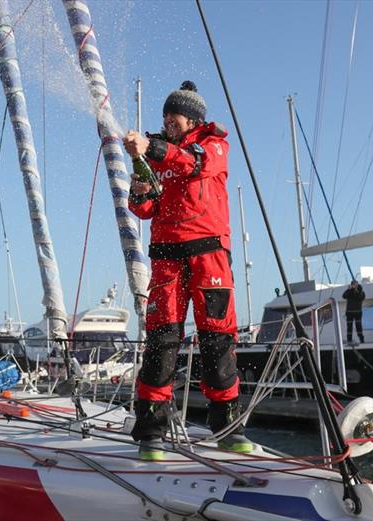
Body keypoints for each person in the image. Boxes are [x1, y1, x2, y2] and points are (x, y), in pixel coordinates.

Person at [123, 81, 252, 460]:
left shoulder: (213, 145)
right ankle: (151, 432)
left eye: (173, 115)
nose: (167, 120)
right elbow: (144, 210)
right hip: (166, 256)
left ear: (193, 118)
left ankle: (228, 428)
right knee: (161, 340)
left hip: (208, 253)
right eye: (164, 116)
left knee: (216, 339)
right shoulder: (156, 157)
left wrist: (152, 150)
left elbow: (195, 164)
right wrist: (140, 185)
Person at [342, 280, 366, 344]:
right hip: (349, 312)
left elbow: (361, 297)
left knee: (358, 326)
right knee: (349, 326)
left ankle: (361, 339)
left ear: (357, 285)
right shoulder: (349, 291)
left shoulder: (361, 291)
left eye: (355, 284)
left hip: (358, 312)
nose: (354, 285)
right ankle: (349, 340)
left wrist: (358, 290)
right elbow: (344, 296)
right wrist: (349, 290)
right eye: (353, 284)